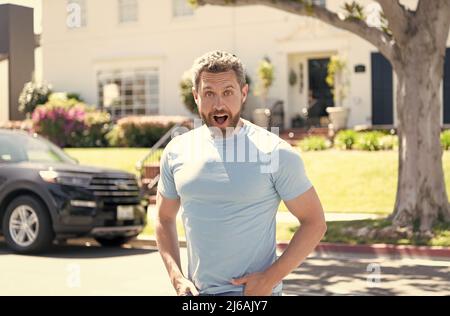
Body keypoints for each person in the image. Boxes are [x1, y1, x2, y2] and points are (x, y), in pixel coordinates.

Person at [155, 51, 327, 296]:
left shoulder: (275, 152)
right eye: (209, 93)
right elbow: (163, 219)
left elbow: (314, 222)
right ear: (196, 96)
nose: (218, 104)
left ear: (243, 93)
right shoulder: (177, 151)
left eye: (227, 92)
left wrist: (269, 279)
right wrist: (177, 277)